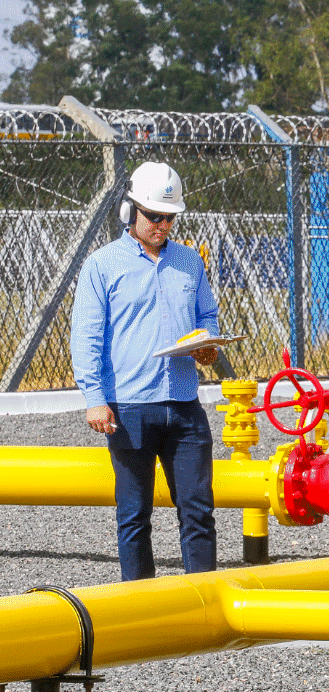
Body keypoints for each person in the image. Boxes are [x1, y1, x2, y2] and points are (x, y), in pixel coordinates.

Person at [70, 161, 222, 581]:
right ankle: (140, 606)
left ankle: (202, 602)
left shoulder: (190, 262)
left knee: (198, 509)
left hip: (184, 405)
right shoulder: (102, 265)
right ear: (129, 210)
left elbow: (207, 315)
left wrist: (207, 343)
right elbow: (86, 337)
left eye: (170, 217)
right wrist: (95, 400)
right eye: (154, 215)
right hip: (129, 408)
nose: (163, 224)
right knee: (134, 515)